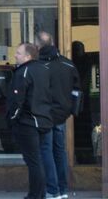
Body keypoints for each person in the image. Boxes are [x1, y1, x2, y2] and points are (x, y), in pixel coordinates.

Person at [37, 32, 80, 199]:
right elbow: (77, 90)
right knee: (59, 151)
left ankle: (52, 190)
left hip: (44, 115)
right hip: (61, 115)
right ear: (53, 42)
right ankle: (62, 190)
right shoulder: (68, 64)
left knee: (46, 150)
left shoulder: (37, 65)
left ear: (38, 46)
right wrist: (70, 110)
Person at [8, 42, 53, 199]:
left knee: (33, 160)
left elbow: (17, 100)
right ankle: (40, 194)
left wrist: (12, 119)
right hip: (44, 121)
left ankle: (35, 195)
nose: (15, 55)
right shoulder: (45, 69)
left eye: (18, 53)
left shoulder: (24, 71)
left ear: (28, 56)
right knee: (39, 159)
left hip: (28, 122)